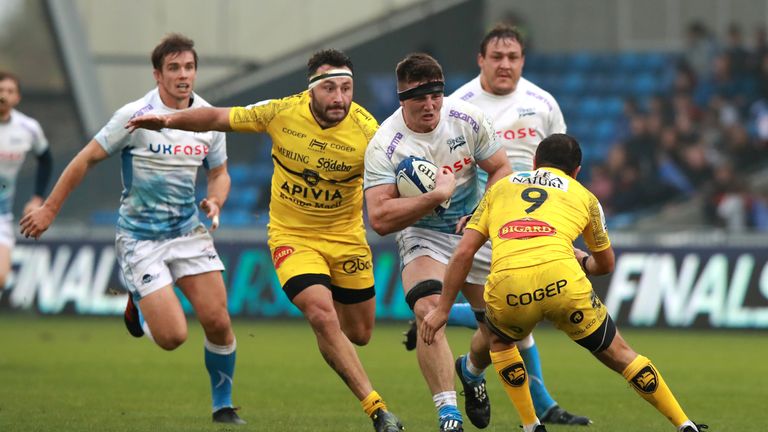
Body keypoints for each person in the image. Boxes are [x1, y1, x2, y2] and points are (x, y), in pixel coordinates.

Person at [124, 49, 404, 432]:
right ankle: (377, 409)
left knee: (359, 333)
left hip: (347, 239)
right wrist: (170, 119)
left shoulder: (370, 132)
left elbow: (399, 180)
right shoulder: (280, 112)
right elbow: (217, 117)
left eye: (346, 88)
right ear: (310, 90)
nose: (339, 98)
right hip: (293, 236)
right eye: (330, 89)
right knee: (321, 315)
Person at [20, 34, 245, 425]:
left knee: (218, 320)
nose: (183, 75)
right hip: (141, 238)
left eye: (188, 67)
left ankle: (222, 406)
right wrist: (49, 208)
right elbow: (86, 158)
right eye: (173, 68)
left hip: (188, 232)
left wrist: (216, 200)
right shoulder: (135, 114)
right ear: (158, 74)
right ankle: (138, 303)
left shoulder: (207, 118)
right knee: (174, 338)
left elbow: (220, 173)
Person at [421, 133, 708, 432]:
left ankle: (531, 425)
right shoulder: (585, 196)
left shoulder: (501, 188)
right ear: (576, 171)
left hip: (509, 283)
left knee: (501, 341)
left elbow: (464, 252)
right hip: (563, 281)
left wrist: (443, 308)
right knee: (621, 354)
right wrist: (582, 259)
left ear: (534, 163)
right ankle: (684, 424)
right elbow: (605, 265)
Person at [444, 24, 588, 426]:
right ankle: (541, 409)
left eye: (513, 57)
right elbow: (451, 165)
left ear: (523, 60)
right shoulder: (460, 104)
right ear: (481, 60)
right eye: (497, 57)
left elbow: (563, 167)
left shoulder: (543, 103)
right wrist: (463, 212)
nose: (505, 65)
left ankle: (469, 367)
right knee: (504, 326)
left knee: (510, 322)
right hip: (485, 226)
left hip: (537, 230)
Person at [364, 52, 511, 432]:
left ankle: (472, 371)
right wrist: (432, 197)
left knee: (504, 328)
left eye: (436, 94)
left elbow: (500, 169)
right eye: (419, 97)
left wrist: (481, 215)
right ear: (401, 97)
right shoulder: (385, 144)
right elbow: (379, 218)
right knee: (428, 308)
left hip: (472, 231)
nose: (430, 104)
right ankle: (449, 415)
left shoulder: (467, 118)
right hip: (423, 233)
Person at [0, 71, 53, 289]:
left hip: (2, 214)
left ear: (17, 98)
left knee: (2, 278)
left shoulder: (28, 128)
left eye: (9, 91)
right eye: (0, 90)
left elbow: (46, 160)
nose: (3, 95)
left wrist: (37, 198)